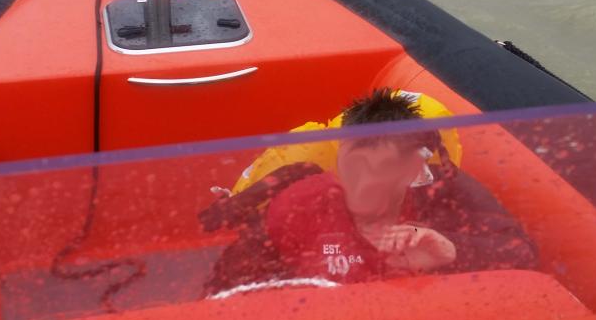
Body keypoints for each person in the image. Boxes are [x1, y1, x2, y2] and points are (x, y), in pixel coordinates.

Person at [201, 89, 538, 294]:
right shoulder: (301, 204)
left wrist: (452, 251)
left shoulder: (446, 194)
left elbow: (521, 254)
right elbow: (227, 288)